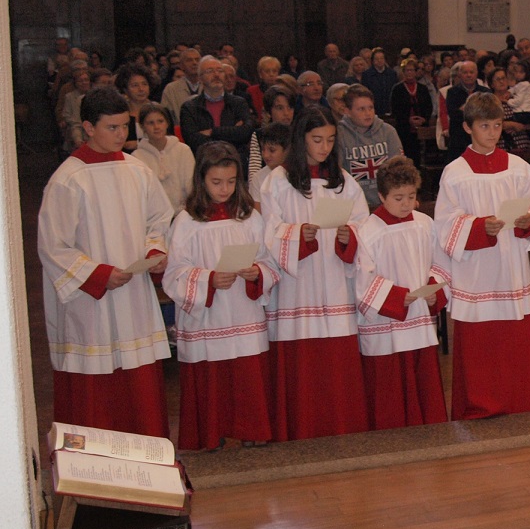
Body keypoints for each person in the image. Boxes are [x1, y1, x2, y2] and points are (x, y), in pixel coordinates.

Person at [37, 87, 174, 437]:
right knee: (96, 391)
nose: (121, 134)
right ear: (88, 127)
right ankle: (91, 474)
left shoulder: (137, 170)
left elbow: (158, 219)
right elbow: (53, 246)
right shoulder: (68, 179)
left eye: (124, 126)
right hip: (91, 301)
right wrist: (97, 274)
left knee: (139, 383)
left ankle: (149, 466)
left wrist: (155, 252)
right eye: (111, 128)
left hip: (133, 297)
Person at [259, 107, 370, 441]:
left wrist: (350, 236)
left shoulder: (344, 182)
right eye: (316, 139)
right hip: (298, 287)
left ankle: (345, 428)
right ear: (300, 138)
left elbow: (365, 226)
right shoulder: (277, 182)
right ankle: (300, 431)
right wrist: (297, 236)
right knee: (302, 371)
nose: (324, 147)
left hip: (335, 280)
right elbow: (268, 232)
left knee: (337, 369)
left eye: (330, 140)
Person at [432, 92, 530, 419]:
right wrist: (481, 228)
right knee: (482, 348)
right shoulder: (455, 172)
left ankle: (519, 401)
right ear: (467, 127)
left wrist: (528, 221)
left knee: (513, 345)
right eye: (484, 126)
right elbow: (446, 224)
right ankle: (479, 407)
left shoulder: (520, 168)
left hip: (511, 270)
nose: (493, 132)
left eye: (496, 125)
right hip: (476, 272)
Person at [163, 141, 278, 451]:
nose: (224, 189)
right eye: (216, 182)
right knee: (213, 376)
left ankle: (252, 430)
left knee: (247, 375)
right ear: (201, 180)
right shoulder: (187, 221)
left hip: (243, 310)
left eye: (230, 181)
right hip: (208, 316)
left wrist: (258, 274)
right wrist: (209, 280)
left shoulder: (249, 216)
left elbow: (270, 261)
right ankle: (211, 434)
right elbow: (173, 274)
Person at [354, 156, 448, 430]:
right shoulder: (368, 230)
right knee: (390, 384)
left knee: (422, 379)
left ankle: (429, 429)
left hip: (418, 315)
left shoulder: (424, 223)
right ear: (381, 196)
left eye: (411, 196)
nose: (406, 203)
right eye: (398, 198)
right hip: (387, 320)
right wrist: (396, 297)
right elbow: (362, 278)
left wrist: (434, 290)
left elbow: (440, 263)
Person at [337, 84, 404, 209]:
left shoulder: (388, 131)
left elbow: (399, 169)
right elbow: (337, 172)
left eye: (370, 108)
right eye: (361, 109)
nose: (368, 113)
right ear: (347, 111)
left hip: (386, 203)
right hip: (353, 204)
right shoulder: (339, 134)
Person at [180, 54, 257, 156]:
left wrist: (213, 131)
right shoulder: (189, 108)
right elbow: (193, 140)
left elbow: (246, 133)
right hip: (205, 162)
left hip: (236, 160)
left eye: (220, 71)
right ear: (200, 78)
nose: (216, 75)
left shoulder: (239, 103)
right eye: (210, 71)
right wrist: (232, 132)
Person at [134, 102, 195, 212]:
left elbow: (192, 187)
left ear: (167, 123)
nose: (156, 127)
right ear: (143, 127)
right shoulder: (137, 157)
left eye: (160, 121)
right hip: (153, 217)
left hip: (183, 214)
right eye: (150, 123)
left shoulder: (183, 150)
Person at [389, 57, 434, 162]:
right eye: (407, 70)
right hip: (404, 128)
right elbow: (395, 109)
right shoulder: (397, 89)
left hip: (422, 127)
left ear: (416, 72)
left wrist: (423, 119)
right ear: (403, 72)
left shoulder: (423, 88)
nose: (409, 73)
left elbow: (429, 106)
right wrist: (408, 120)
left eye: (412, 70)